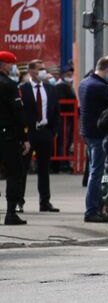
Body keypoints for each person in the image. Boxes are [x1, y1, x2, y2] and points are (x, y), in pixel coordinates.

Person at [79, 56, 108, 222]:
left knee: (93, 171)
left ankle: (94, 208)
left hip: (88, 133)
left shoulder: (85, 82)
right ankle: (92, 211)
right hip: (97, 134)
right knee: (96, 173)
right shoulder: (99, 87)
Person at [19, 60, 61, 213]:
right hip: (28, 133)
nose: (43, 71)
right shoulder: (22, 90)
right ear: (30, 71)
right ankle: (19, 202)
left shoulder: (50, 89)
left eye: (44, 68)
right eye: (39, 69)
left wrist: (53, 131)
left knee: (44, 169)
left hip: (45, 132)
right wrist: (22, 134)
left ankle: (45, 202)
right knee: (22, 168)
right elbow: (19, 112)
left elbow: (56, 111)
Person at [0, 51, 30, 225]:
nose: (12, 68)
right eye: (11, 65)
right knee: (14, 173)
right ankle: (11, 212)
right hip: (6, 135)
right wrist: (24, 137)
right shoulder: (10, 85)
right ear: (4, 65)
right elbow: (18, 113)